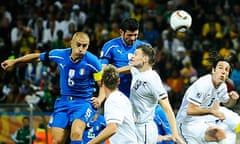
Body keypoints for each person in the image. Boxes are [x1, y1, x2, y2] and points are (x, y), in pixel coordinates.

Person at [2, 32, 105, 144]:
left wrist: (100, 98)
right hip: (64, 102)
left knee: (76, 133)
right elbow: (37, 57)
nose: (81, 49)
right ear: (71, 43)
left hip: (83, 103)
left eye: (84, 46)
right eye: (78, 45)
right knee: (56, 141)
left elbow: (103, 84)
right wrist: (14, 61)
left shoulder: (93, 61)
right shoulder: (59, 55)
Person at [118, 45, 184, 144]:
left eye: (136, 55)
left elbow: (167, 108)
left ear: (145, 59)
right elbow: (130, 68)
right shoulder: (137, 70)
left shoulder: (152, 79)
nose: (132, 57)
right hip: (134, 126)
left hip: (144, 129)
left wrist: (175, 133)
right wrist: (115, 71)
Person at [176, 51, 240, 143]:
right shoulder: (203, 84)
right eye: (220, 68)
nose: (223, 72)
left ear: (228, 75)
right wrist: (212, 111)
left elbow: (227, 104)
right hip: (186, 124)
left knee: (220, 134)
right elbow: (190, 110)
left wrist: (233, 99)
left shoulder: (222, 86)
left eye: (226, 70)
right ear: (213, 70)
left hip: (202, 121)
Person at [100, 17, 150, 98]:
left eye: (135, 35)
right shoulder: (110, 46)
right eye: (129, 35)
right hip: (118, 94)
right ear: (121, 32)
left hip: (141, 94)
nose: (133, 38)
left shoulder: (145, 47)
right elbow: (102, 67)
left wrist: (115, 71)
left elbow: (140, 67)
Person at [88, 64, 138, 144]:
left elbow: (112, 129)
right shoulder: (123, 98)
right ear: (118, 81)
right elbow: (134, 120)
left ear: (101, 82)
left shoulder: (112, 100)